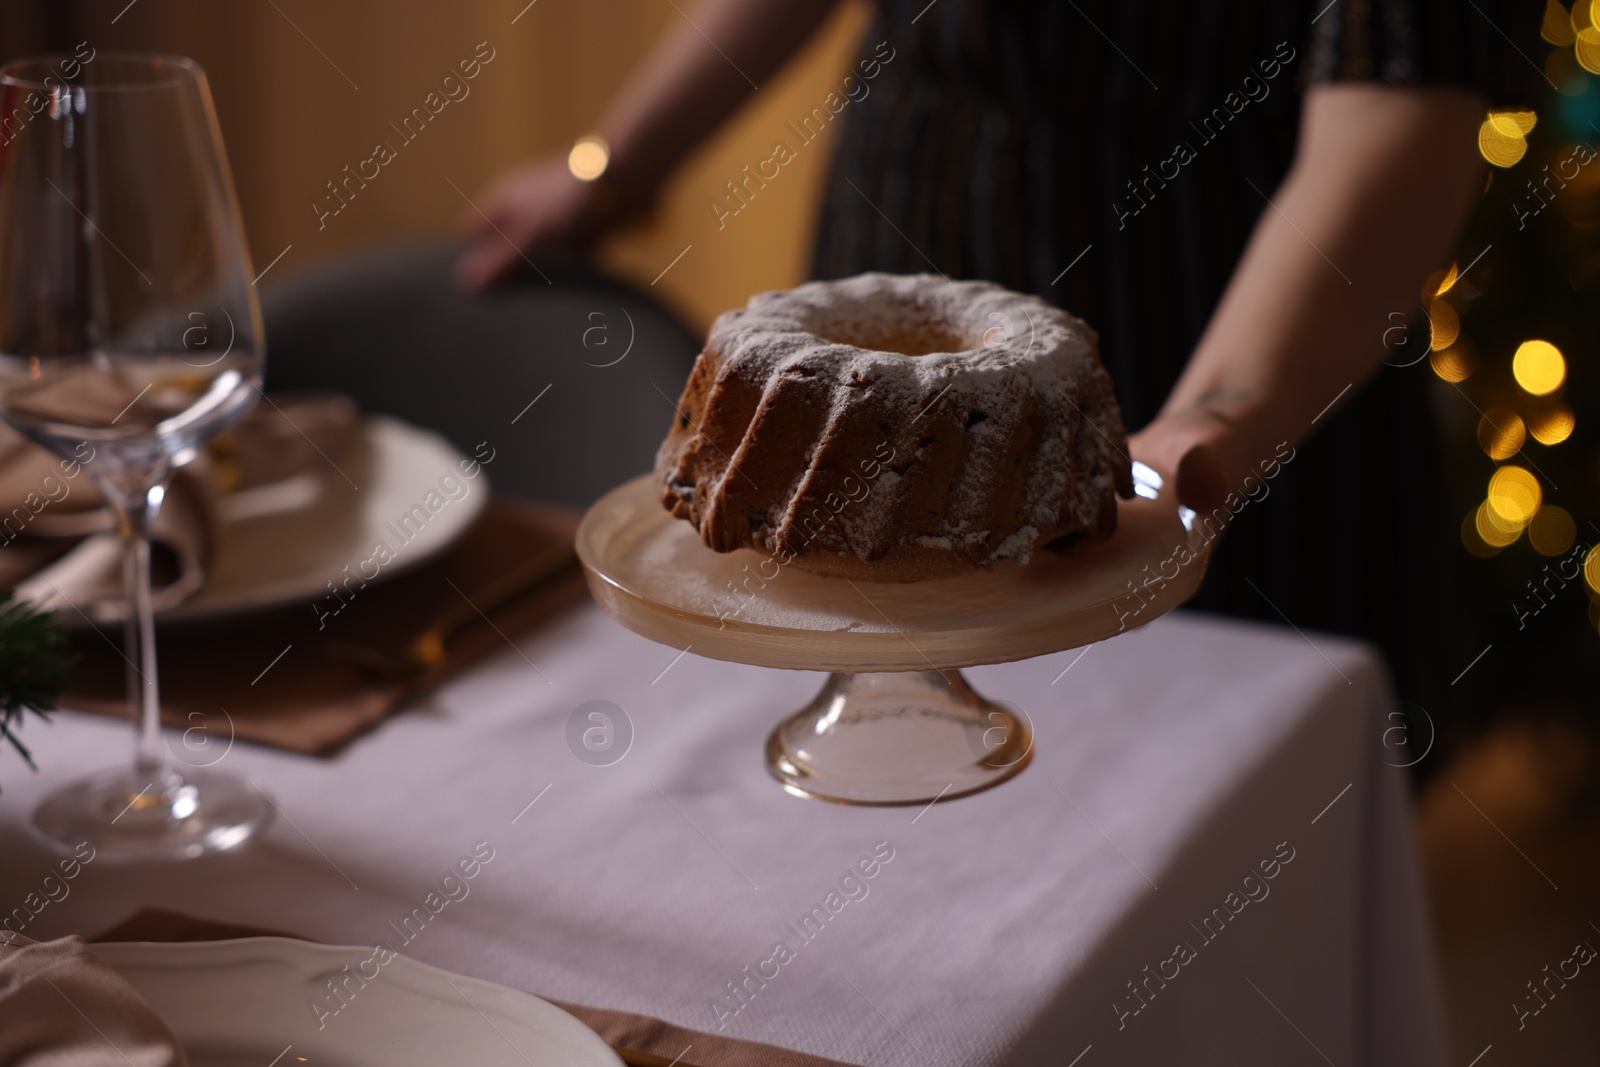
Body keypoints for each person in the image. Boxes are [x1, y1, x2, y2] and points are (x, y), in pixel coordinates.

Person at [457, 0, 1546, 714]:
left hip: (1232, 306)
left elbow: (1401, 111)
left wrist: (1204, 424)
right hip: (909, 231)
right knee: (883, 752)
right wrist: (615, 161)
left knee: (1199, 851)